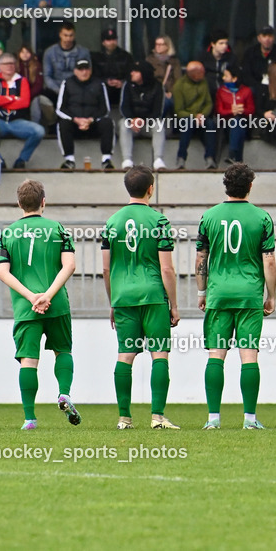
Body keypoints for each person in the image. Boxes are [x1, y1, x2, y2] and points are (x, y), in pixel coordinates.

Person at [195, 163, 276, 430]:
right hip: (249, 295)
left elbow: (201, 258)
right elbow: (269, 263)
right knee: (249, 355)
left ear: (226, 186)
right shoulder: (262, 217)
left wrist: (201, 291)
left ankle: (213, 419)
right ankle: (250, 420)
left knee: (216, 355)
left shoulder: (209, 217)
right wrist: (271, 295)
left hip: (219, 295)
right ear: (250, 186)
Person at [0, 179, 81, 430]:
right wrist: (48, 295)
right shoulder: (58, 229)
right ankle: (64, 393)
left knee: (28, 361)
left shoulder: (8, 233)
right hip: (57, 305)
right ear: (44, 202)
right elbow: (70, 265)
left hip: (26, 307)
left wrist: (32, 297)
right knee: (63, 351)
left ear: (19, 203)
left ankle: (30, 419)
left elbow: (2, 272)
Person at [101, 165, 181, 429]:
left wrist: (113, 301)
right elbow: (167, 268)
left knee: (125, 354)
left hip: (123, 296)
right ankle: (157, 417)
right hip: (152, 295)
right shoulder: (159, 221)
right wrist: (174, 304)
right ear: (151, 189)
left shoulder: (112, 222)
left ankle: (124, 418)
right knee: (159, 354)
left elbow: (105, 268)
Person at [54, 58, 114, 170]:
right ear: (75, 71)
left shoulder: (99, 84)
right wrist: (75, 119)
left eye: (86, 69)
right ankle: (69, 160)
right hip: (74, 124)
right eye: (81, 69)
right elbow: (60, 109)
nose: (84, 72)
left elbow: (105, 109)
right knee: (63, 124)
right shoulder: (67, 83)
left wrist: (90, 120)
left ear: (90, 70)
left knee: (108, 123)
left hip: (93, 124)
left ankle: (106, 160)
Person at [0, 52, 44, 170]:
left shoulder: (22, 81)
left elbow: (24, 102)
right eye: (6, 64)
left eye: (12, 64)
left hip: (17, 121)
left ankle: (22, 159)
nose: (10, 66)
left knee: (39, 131)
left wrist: (3, 101)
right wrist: (12, 98)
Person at [119, 61, 166, 171]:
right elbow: (124, 107)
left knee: (159, 124)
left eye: (136, 71)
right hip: (132, 123)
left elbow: (158, 111)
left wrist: (143, 121)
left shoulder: (157, 86)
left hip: (148, 123)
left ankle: (158, 160)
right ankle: (127, 160)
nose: (132, 73)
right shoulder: (128, 85)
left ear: (143, 73)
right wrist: (132, 119)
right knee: (123, 124)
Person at [173, 61, 217, 169]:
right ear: (193, 74)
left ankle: (210, 158)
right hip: (185, 117)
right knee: (187, 124)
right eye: (201, 72)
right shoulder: (179, 86)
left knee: (211, 125)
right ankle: (181, 158)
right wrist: (194, 116)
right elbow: (179, 110)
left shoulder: (204, 83)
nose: (204, 74)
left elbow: (208, 103)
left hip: (202, 117)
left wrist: (202, 115)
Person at [215, 66, 254, 164]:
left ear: (234, 78)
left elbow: (251, 110)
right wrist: (231, 111)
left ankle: (233, 155)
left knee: (238, 122)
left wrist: (242, 110)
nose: (223, 78)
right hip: (225, 123)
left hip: (243, 122)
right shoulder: (221, 91)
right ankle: (238, 158)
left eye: (226, 76)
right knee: (236, 122)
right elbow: (219, 110)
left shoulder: (246, 91)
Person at [43, 23, 90, 99]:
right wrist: (58, 90)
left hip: (77, 89)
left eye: (71, 35)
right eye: (65, 35)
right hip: (55, 89)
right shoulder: (49, 52)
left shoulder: (83, 52)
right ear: (60, 35)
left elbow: (87, 74)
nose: (68, 39)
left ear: (74, 35)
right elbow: (47, 76)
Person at [91, 27, 134, 107]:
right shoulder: (96, 57)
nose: (112, 42)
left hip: (122, 91)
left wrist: (122, 82)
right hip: (103, 90)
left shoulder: (126, 56)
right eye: (108, 40)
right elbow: (93, 76)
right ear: (103, 42)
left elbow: (132, 75)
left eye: (114, 39)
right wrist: (106, 81)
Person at [146, 34, 183, 106]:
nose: (158, 46)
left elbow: (178, 79)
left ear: (167, 46)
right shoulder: (149, 60)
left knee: (172, 102)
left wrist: (171, 92)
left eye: (161, 44)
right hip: (154, 92)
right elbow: (148, 79)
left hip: (170, 91)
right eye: (156, 44)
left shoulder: (174, 61)